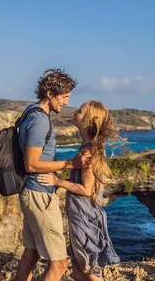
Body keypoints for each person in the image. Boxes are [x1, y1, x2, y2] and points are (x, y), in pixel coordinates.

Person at [14, 69, 91, 281]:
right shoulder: (40, 121)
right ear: (50, 93)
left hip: (31, 192)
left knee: (31, 254)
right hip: (39, 195)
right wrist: (71, 163)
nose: (66, 102)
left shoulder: (31, 111)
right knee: (59, 264)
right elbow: (31, 164)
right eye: (64, 96)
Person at [38, 101, 121, 281]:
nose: (75, 111)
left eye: (80, 111)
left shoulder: (90, 151)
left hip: (85, 217)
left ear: (88, 121)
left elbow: (86, 189)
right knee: (78, 269)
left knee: (86, 269)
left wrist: (58, 181)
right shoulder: (88, 147)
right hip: (82, 215)